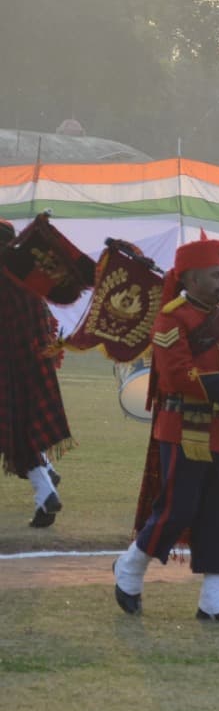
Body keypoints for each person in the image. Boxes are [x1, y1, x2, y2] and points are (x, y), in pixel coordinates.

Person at [111, 233, 219, 621]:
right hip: (183, 427)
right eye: (215, 274)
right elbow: (177, 375)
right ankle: (130, 568)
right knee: (177, 509)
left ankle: (213, 598)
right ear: (191, 278)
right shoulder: (172, 317)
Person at [0, 218, 69, 528]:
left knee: (15, 432)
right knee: (23, 428)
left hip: (9, 367)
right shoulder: (28, 277)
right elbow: (48, 322)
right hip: (35, 364)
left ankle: (45, 489)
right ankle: (46, 475)